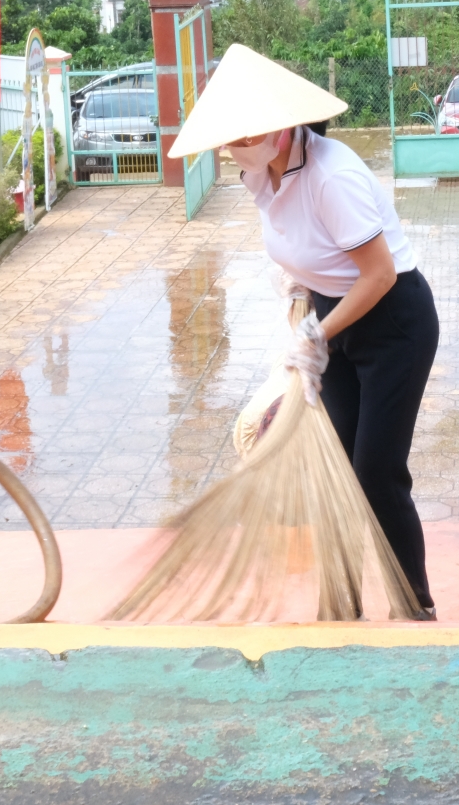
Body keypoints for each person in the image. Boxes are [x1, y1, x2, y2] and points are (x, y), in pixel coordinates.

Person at [166, 44, 440, 617]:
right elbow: (300, 247)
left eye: (244, 135)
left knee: (376, 473)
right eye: (229, 138)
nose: (233, 147)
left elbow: (379, 275)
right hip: (333, 318)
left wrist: (318, 335)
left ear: (283, 127)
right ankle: (340, 603)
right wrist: (298, 292)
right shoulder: (260, 170)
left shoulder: (331, 176)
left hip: (393, 322)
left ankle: (415, 604)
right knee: (334, 470)